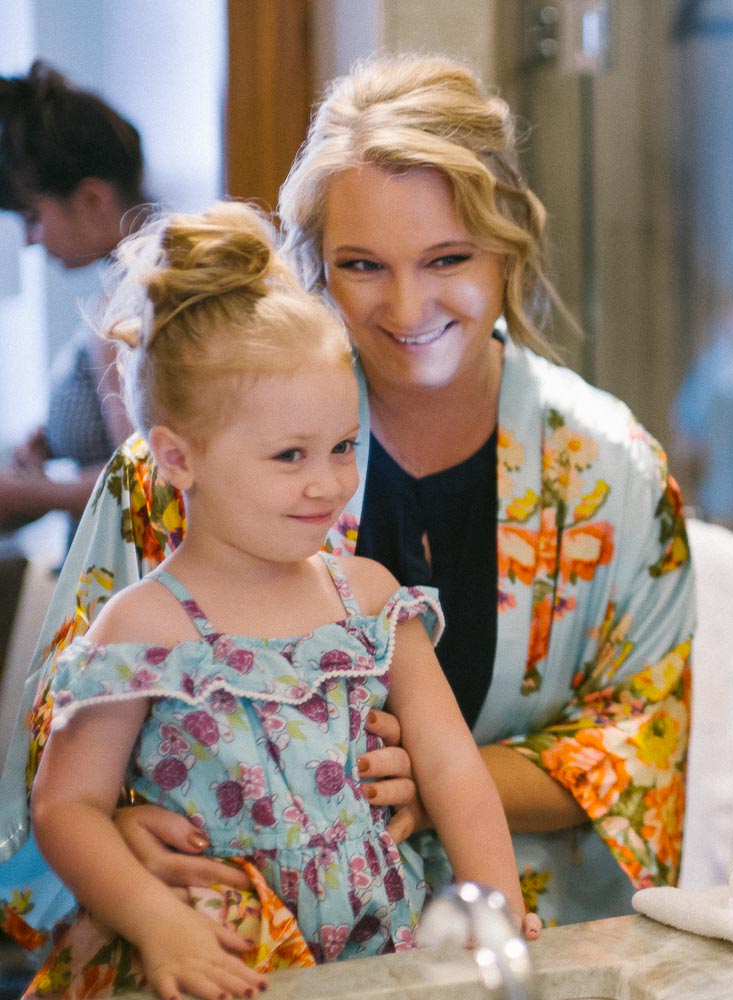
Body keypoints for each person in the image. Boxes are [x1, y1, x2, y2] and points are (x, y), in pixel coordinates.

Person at [0, 53, 695, 943]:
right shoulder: (178, 466)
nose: (408, 309)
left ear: (510, 242)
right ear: (314, 265)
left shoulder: (613, 477)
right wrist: (120, 828)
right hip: (233, 943)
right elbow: (61, 753)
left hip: (516, 932)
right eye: (362, 264)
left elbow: (644, 746)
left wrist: (445, 779)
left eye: (448, 257)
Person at [24, 202, 539, 1000]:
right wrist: (159, 926)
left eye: (342, 447)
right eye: (290, 455)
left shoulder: (368, 598)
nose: (328, 482)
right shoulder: (141, 626)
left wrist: (494, 907)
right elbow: (66, 808)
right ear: (177, 457)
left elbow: (451, 767)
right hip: (212, 965)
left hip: (374, 962)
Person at [0, 61, 138, 532]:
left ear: (92, 199)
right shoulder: (124, 290)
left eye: (32, 216)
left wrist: (28, 495)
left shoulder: (130, 307)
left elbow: (147, 480)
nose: (29, 240)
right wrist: (53, 440)